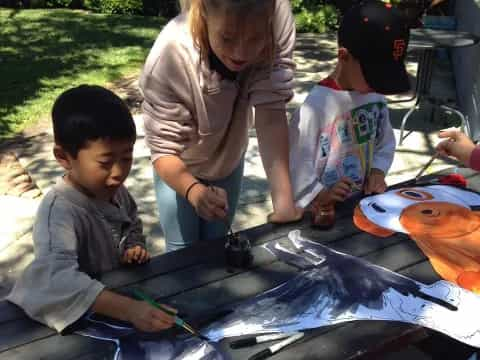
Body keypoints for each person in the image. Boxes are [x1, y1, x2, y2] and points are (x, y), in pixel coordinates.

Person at [7, 85, 176, 333]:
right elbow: (56, 279)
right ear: (64, 157)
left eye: (126, 158)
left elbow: (131, 222)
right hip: (81, 320)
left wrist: (133, 246)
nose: (119, 172)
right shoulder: (59, 213)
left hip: (118, 299)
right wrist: (129, 309)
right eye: (106, 162)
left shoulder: (115, 189)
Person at [140, 0, 302, 252]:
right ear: (203, 12)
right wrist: (193, 190)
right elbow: (163, 151)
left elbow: (271, 113)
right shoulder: (170, 56)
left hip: (229, 158)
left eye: (255, 39)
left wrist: (284, 204)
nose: (241, 53)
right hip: (179, 165)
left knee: (218, 247)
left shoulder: (276, 15)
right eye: (227, 38)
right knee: (183, 253)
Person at [289, 1, 410, 226]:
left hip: (358, 209)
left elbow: (385, 141)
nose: (379, 84)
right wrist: (319, 195)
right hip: (318, 217)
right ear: (343, 57)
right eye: (374, 75)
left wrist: (377, 171)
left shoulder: (374, 95)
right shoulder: (315, 107)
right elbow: (296, 163)